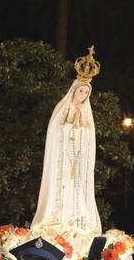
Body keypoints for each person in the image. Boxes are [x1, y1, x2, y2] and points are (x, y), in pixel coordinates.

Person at [31, 47, 102, 244]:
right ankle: (56, 222)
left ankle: (76, 223)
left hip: (77, 162)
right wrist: (73, 124)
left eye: (86, 92)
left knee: (76, 191)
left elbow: (87, 134)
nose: (83, 95)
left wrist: (80, 125)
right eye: (81, 90)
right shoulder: (62, 109)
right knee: (61, 189)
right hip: (62, 161)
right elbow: (58, 130)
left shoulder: (86, 112)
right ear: (74, 90)